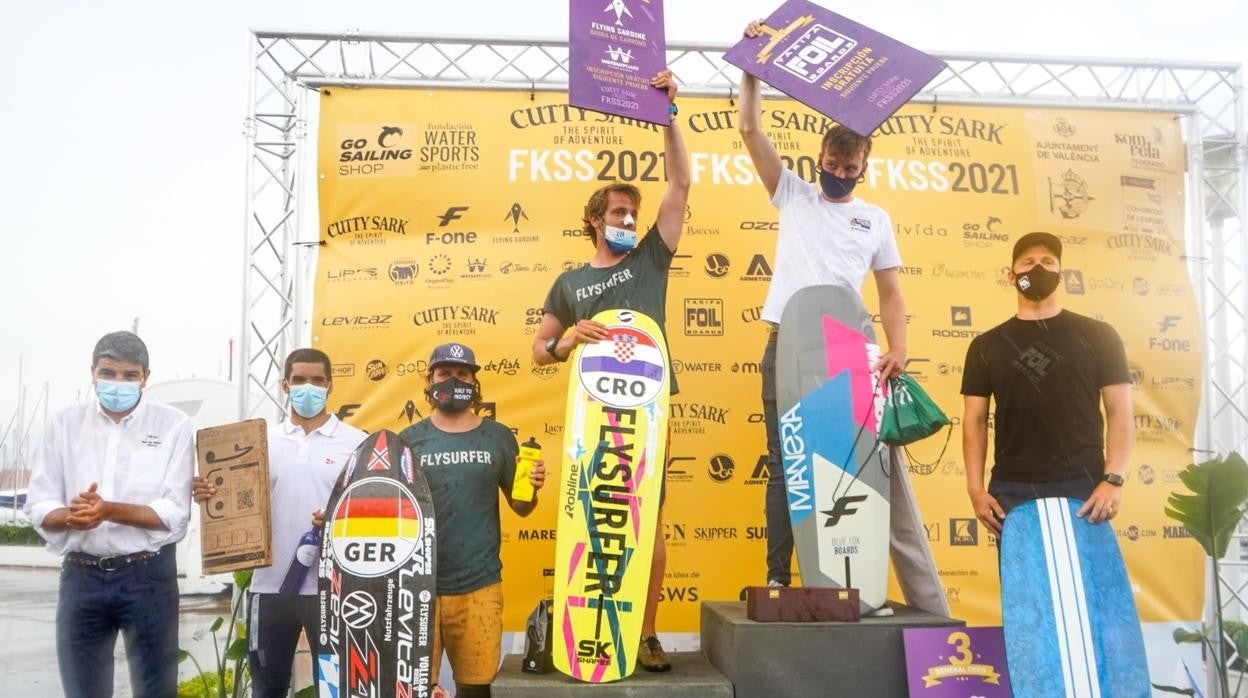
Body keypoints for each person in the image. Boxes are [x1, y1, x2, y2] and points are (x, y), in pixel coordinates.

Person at [738, 19, 946, 615]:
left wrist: (898, 348)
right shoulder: (794, 194)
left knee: (850, 467)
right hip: (788, 343)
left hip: (850, 352)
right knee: (785, 460)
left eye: (849, 167)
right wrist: (752, 65)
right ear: (820, 157)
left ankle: (849, 577)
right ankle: (778, 577)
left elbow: (891, 295)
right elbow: (750, 128)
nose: (838, 170)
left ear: (862, 168)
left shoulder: (875, 219)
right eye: (831, 160)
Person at [531, 69, 690, 671]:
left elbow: (682, 181)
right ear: (596, 218)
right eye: (619, 211)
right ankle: (592, 629)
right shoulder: (570, 283)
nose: (628, 218)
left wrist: (671, 114)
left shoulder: (652, 255)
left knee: (646, 513)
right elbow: (537, 351)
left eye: (633, 211)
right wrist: (569, 338)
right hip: (591, 417)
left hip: (649, 411)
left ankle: (645, 632)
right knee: (593, 517)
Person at [25, 331, 194, 698]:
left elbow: (175, 512)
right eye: (109, 373)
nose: (118, 383)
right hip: (81, 577)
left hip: (149, 576)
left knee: (156, 691)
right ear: (92, 372)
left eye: (130, 375)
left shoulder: (174, 425)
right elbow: (39, 503)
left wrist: (108, 511)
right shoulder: (63, 423)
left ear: (146, 377)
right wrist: (71, 517)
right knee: (83, 690)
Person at [193, 348, 366, 698]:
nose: (308, 388)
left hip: (332, 591)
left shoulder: (358, 442)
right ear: (285, 384)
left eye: (317, 380)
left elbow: (366, 510)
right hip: (268, 587)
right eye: (299, 380)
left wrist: (337, 517)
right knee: (267, 688)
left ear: (330, 386)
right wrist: (208, 492)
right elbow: (232, 500)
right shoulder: (257, 441)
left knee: (337, 690)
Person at [399, 342, 546, 698]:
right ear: (430, 381)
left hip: (480, 585)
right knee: (414, 690)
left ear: (475, 382)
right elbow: (391, 508)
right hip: (416, 586)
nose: (453, 380)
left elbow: (521, 507)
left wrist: (534, 487)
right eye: (444, 373)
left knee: (477, 691)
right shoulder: (408, 440)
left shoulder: (497, 436)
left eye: (462, 374)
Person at [961, 232, 1131, 532]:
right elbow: (974, 420)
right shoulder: (985, 345)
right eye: (1028, 262)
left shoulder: (1100, 335)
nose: (1038, 269)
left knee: (1084, 579)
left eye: (1047, 262)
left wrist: (1113, 479)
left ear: (1060, 275)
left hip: (1085, 486)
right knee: (1022, 580)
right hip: (1011, 487)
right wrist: (976, 490)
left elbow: (1120, 411)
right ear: (1012, 276)